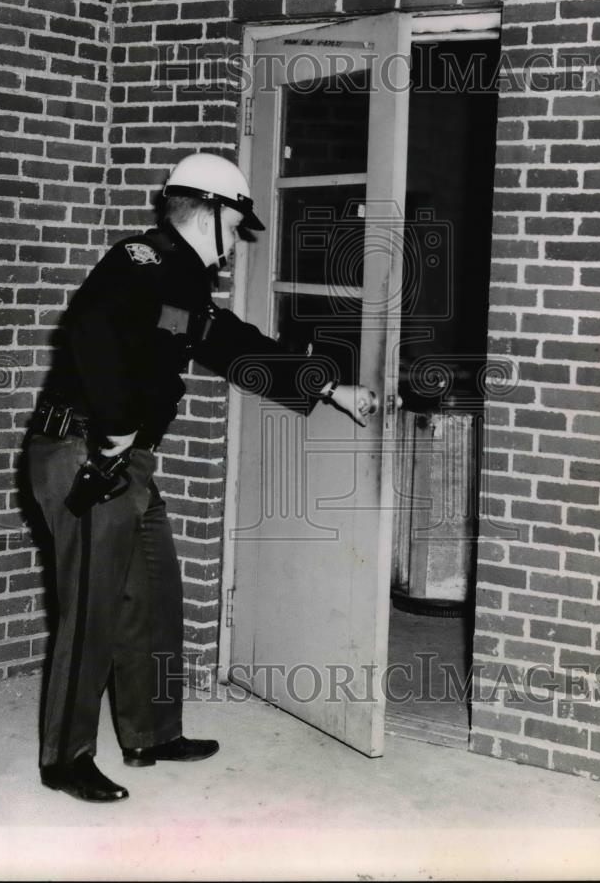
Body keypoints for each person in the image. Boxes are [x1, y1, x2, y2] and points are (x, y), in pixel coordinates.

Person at [28, 152, 377, 802]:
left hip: (119, 458)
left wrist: (328, 387)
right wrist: (114, 433)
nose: (238, 244)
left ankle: (150, 732)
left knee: (153, 593)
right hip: (84, 451)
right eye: (237, 226)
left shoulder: (182, 284)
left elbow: (231, 344)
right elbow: (93, 331)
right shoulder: (144, 260)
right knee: (92, 609)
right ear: (213, 212)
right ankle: (65, 757)